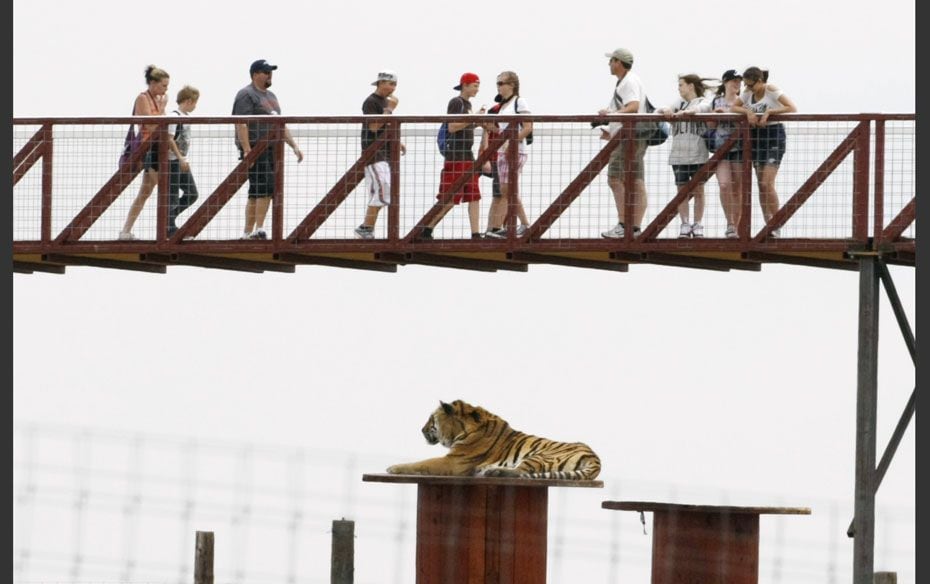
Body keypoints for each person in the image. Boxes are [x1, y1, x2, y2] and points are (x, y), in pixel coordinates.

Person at [232, 59, 304, 240]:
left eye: (270, 71)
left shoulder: (271, 96)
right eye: (265, 71)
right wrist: (247, 149)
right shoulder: (246, 94)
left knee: (258, 190)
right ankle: (258, 228)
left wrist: (294, 145)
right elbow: (241, 123)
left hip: (273, 148)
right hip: (257, 147)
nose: (269, 75)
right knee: (264, 188)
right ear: (255, 74)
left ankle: (249, 232)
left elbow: (280, 124)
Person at [730, 66, 797, 238]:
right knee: (761, 183)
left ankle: (776, 223)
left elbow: (791, 107)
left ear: (760, 81)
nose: (748, 88)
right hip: (756, 136)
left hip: (773, 135)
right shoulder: (747, 94)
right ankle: (769, 224)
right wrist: (748, 111)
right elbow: (734, 107)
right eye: (746, 85)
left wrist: (770, 112)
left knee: (767, 182)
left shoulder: (771, 90)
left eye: (751, 85)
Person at [419, 72, 486, 240]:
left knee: (473, 194)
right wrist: (474, 119)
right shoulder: (456, 102)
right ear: (465, 85)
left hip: (466, 154)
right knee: (450, 196)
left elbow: (465, 125)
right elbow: (453, 127)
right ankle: (427, 228)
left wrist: (479, 121)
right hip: (456, 155)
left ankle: (475, 233)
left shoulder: (467, 104)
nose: (477, 89)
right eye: (475, 85)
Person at [598, 48, 650, 239]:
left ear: (618, 62)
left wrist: (611, 115)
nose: (609, 64)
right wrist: (610, 128)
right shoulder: (629, 80)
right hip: (630, 136)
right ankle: (634, 227)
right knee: (635, 181)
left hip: (629, 137)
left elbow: (633, 106)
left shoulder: (628, 81)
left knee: (615, 178)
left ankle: (624, 224)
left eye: (611, 61)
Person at [654, 74, 713, 238]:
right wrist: (665, 110)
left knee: (699, 190)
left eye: (681, 85)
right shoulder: (678, 103)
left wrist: (687, 112)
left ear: (691, 86)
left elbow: (702, 109)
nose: (679, 88)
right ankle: (685, 224)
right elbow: (662, 109)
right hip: (678, 154)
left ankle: (698, 223)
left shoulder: (702, 101)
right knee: (681, 191)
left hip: (697, 154)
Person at [119, 65, 169, 240]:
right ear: (153, 83)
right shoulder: (142, 98)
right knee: (164, 188)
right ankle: (166, 230)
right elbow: (150, 125)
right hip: (147, 148)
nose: (165, 90)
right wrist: (162, 111)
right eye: (163, 85)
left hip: (156, 147)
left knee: (146, 192)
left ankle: (126, 230)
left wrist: (162, 109)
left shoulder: (158, 100)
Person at [354, 70, 405, 239]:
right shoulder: (371, 102)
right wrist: (389, 110)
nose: (393, 88)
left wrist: (397, 141)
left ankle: (367, 227)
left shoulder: (385, 102)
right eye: (390, 83)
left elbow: (385, 127)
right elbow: (374, 127)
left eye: (395, 84)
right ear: (380, 83)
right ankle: (366, 227)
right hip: (374, 153)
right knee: (384, 189)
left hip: (384, 153)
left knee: (381, 190)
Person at [484, 71, 533, 238]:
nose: (498, 87)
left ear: (512, 85)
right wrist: (493, 129)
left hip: (515, 149)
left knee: (507, 189)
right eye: (497, 83)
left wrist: (512, 142)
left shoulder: (519, 102)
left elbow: (527, 127)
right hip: (504, 149)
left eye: (501, 83)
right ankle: (520, 225)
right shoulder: (504, 105)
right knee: (507, 189)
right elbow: (504, 130)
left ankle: (522, 225)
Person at [707, 69, 744, 238]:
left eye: (739, 81)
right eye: (733, 81)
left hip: (740, 148)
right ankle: (729, 222)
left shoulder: (743, 101)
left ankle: (735, 226)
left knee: (737, 188)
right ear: (725, 82)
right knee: (724, 184)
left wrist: (732, 115)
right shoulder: (716, 101)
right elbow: (710, 126)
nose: (736, 84)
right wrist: (714, 116)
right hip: (720, 147)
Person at [166, 85, 200, 237]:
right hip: (173, 161)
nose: (195, 105)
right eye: (195, 102)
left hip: (181, 161)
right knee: (172, 196)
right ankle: (169, 227)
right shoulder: (174, 116)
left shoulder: (185, 117)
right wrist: (180, 158)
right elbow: (169, 139)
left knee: (192, 193)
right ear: (188, 101)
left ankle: (169, 219)